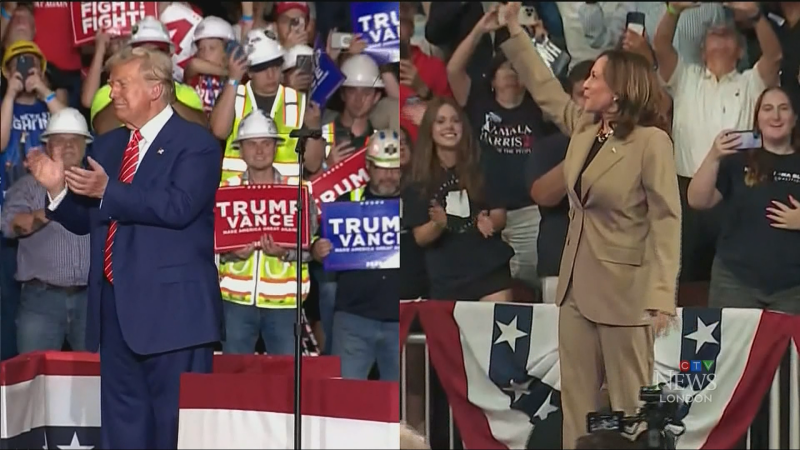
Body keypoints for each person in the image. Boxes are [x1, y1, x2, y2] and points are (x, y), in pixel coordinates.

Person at [498, 3, 681, 448]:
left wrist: (661, 294)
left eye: (597, 77)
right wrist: (510, 31)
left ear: (619, 90)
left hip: (626, 291)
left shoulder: (651, 143)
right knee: (577, 404)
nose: (586, 84)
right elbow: (543, 87)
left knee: (633, 406)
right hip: (575, 287)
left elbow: (666, 219)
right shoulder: (584, 128)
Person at [25, 46, 223, 449]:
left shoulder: (196, 144)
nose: (112, 92)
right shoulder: (108, 146)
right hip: (115, 316)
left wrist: (108, 190)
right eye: (110, 83)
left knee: (175, 432)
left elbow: (178, 207)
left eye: (121, 83)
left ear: (155, 89)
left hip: (175, 319)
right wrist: (58, 191)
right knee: (122, 432)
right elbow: (89, 221)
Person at [688, 86, 800, 313]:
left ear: (795, 117)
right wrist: (714, 156)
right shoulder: (737, 159)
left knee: (784, 350)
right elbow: (697, 201)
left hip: (792, 289)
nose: (775, 116)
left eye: (783, 108)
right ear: (757, 117)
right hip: (735, 282)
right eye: (767, 109)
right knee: (732, 349)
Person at [218, 109, 317, 355]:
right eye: (251, 144)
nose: (259, 150)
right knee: (233, 378)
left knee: (285, 381)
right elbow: (209, 245)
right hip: (235, 302)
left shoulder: (298, 192)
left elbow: (312, 247)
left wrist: (286, 253)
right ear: (240, 150)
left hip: (284, 304)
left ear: (276, 147)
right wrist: (232, 254)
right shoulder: (224, 193)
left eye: (266, 143)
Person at [403, 97, 514, 302]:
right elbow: (420, 237)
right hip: (447, 278)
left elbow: (500, 215)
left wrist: (491, 222)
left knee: (493, 330)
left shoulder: (486, 161)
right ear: (430, 129)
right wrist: (439, 224)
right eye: (441, 121)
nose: (449, 126)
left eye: (455, 120)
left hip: (489, 271)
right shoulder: (417, 178)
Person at [1, 108, 91, 353]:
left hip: (90, 299)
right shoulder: (27, 186)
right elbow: (11, 226)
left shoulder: (97, 185)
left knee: (96, 381)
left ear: (86, 145)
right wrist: (56, 203)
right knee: (33, 382)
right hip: (41, 300)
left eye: (75, 139)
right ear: (48, 146)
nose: (68, 145)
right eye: (60, 140)